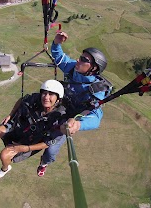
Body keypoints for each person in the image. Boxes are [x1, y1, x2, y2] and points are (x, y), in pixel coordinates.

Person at [37, 31, 111, 177]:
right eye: (81, 56)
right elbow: (59, 58)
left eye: (84, 59)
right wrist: (57, 43)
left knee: (51, 150)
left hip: (68, 119)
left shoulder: (97, 90)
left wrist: (78, 124)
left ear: (94, 68)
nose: (78, 59)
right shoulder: (73, 68)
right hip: (58, 106)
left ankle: (44, 163)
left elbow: (96, 116)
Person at [0, 80, 67, 179]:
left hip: (33, 140)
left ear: (58, 98)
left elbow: (48, 143)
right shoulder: (35, 99)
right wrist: (10, 114)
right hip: (20, 126)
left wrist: (25, 148)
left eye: (51, 94)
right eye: (44, 93)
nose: (46, 97)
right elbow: (22, 100)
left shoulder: (59, 117)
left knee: (4, 155)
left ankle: (5, 169)